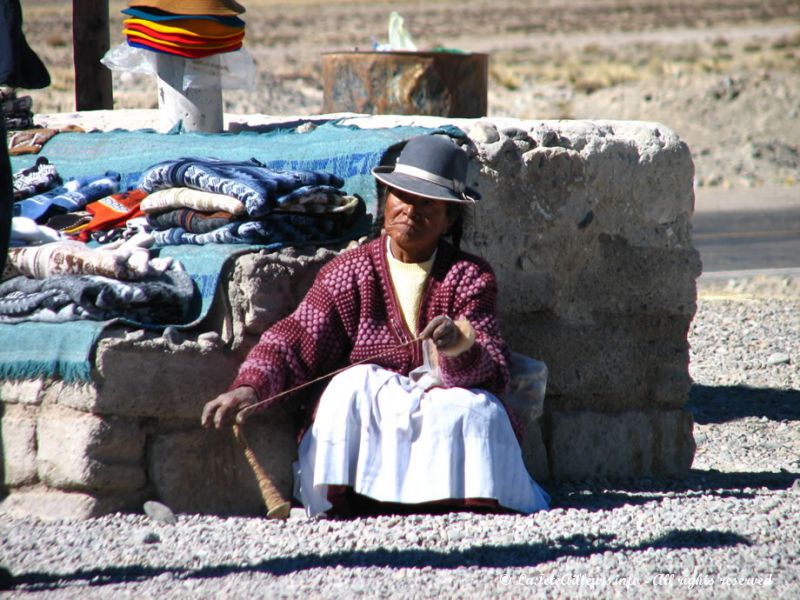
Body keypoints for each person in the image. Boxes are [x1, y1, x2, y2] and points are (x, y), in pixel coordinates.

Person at [202, 134, 550, 517]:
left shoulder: (469, 276)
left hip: (441, 401)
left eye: (427, 204)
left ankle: (455, 496)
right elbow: (297, 336)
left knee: (478, 410)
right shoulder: (349, 273)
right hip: (375, 411)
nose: (410, 212)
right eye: (402, 197)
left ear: (449, 218)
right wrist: (251, 387)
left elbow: (494, 372)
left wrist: (458, 346)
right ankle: (356, 496)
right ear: (385, 200)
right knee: (353, 385)